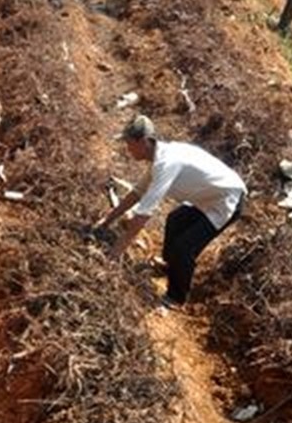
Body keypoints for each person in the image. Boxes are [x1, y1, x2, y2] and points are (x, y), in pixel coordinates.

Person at [95, 115, 247, 308]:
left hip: (227, 200)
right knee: (175, 220)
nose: (127, 149)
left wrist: (114, 254)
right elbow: (137, 192)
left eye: (129, 143)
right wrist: (108, 220)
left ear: (143, 142)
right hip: (207, 197)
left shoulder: (166, 164)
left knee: (184, 248)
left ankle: (176, 297)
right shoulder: (159, 157)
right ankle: (169, 265)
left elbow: (142, 215)